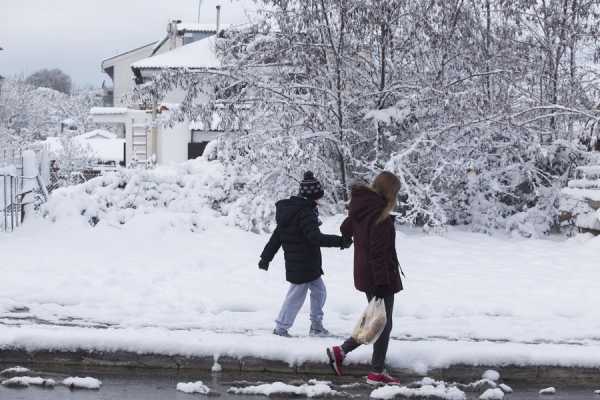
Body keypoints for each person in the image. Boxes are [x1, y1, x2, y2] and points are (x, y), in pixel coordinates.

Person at [326, 171, 403, 385]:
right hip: (379, 277)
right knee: (382, 323)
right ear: (390, 192)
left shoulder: (362, 207)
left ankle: (340, 352)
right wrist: (381, 284)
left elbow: (345, 228)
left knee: (376, 319)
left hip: (367, 274)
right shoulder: (380, 215)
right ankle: (375, 371)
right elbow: (378, 253)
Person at [259, 171, 352, 337]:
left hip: (307, 263)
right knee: (296, 296)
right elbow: (315, 237)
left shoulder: (295, 211)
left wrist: (266, 258)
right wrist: (341, 241)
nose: (319, 200)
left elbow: (277, 236)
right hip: (302, 264)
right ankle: (281, 328)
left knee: (319, 292)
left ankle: (316, 327)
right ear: (313, 196)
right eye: (318, 197)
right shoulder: (304, 212)